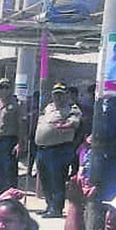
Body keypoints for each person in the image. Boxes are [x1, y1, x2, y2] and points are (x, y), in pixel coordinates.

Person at [34, 83, 82, 218]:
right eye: (56, 94)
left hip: (58, 149)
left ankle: (56, 209)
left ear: (66, 95)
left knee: (57, 179)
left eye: (61, 94)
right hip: (42, 149)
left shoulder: (71, 108)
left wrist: (65, 126)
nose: (58, 97)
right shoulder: (48, 107)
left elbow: (74, 122)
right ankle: (49, 205)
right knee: (45, 179)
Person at [0, 78, 25, 194]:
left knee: (9, 170)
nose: (4, 90)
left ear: (10, 89)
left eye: (6, 87)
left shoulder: (16, 105)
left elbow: (21, 125)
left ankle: (11, 196)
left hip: (9, 140)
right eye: (1, 87)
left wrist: (20, 143)